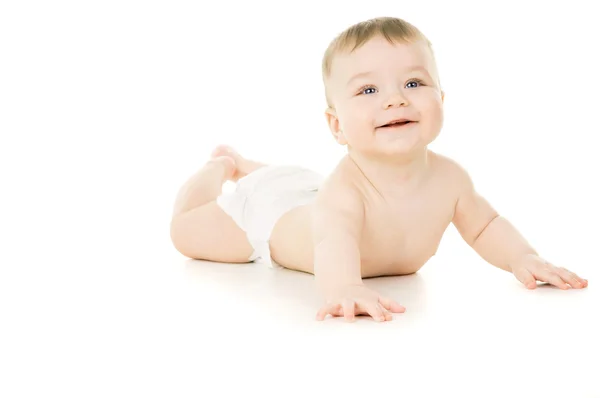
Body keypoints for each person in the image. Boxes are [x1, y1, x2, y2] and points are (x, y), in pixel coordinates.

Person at [169, 16, 588, 322]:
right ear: (337, 126)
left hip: (304, 190)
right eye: (369, 89)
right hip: (266, 216)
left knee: (297, 185)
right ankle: (222, 167)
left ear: (441, 97)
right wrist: (345, 288)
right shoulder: (345, 193)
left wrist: (522, 256)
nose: (395, 100)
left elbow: (485, 226)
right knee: (185, 233)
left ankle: (250, 166)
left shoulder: (451, 179)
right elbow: (333, 243)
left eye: (413, 83)